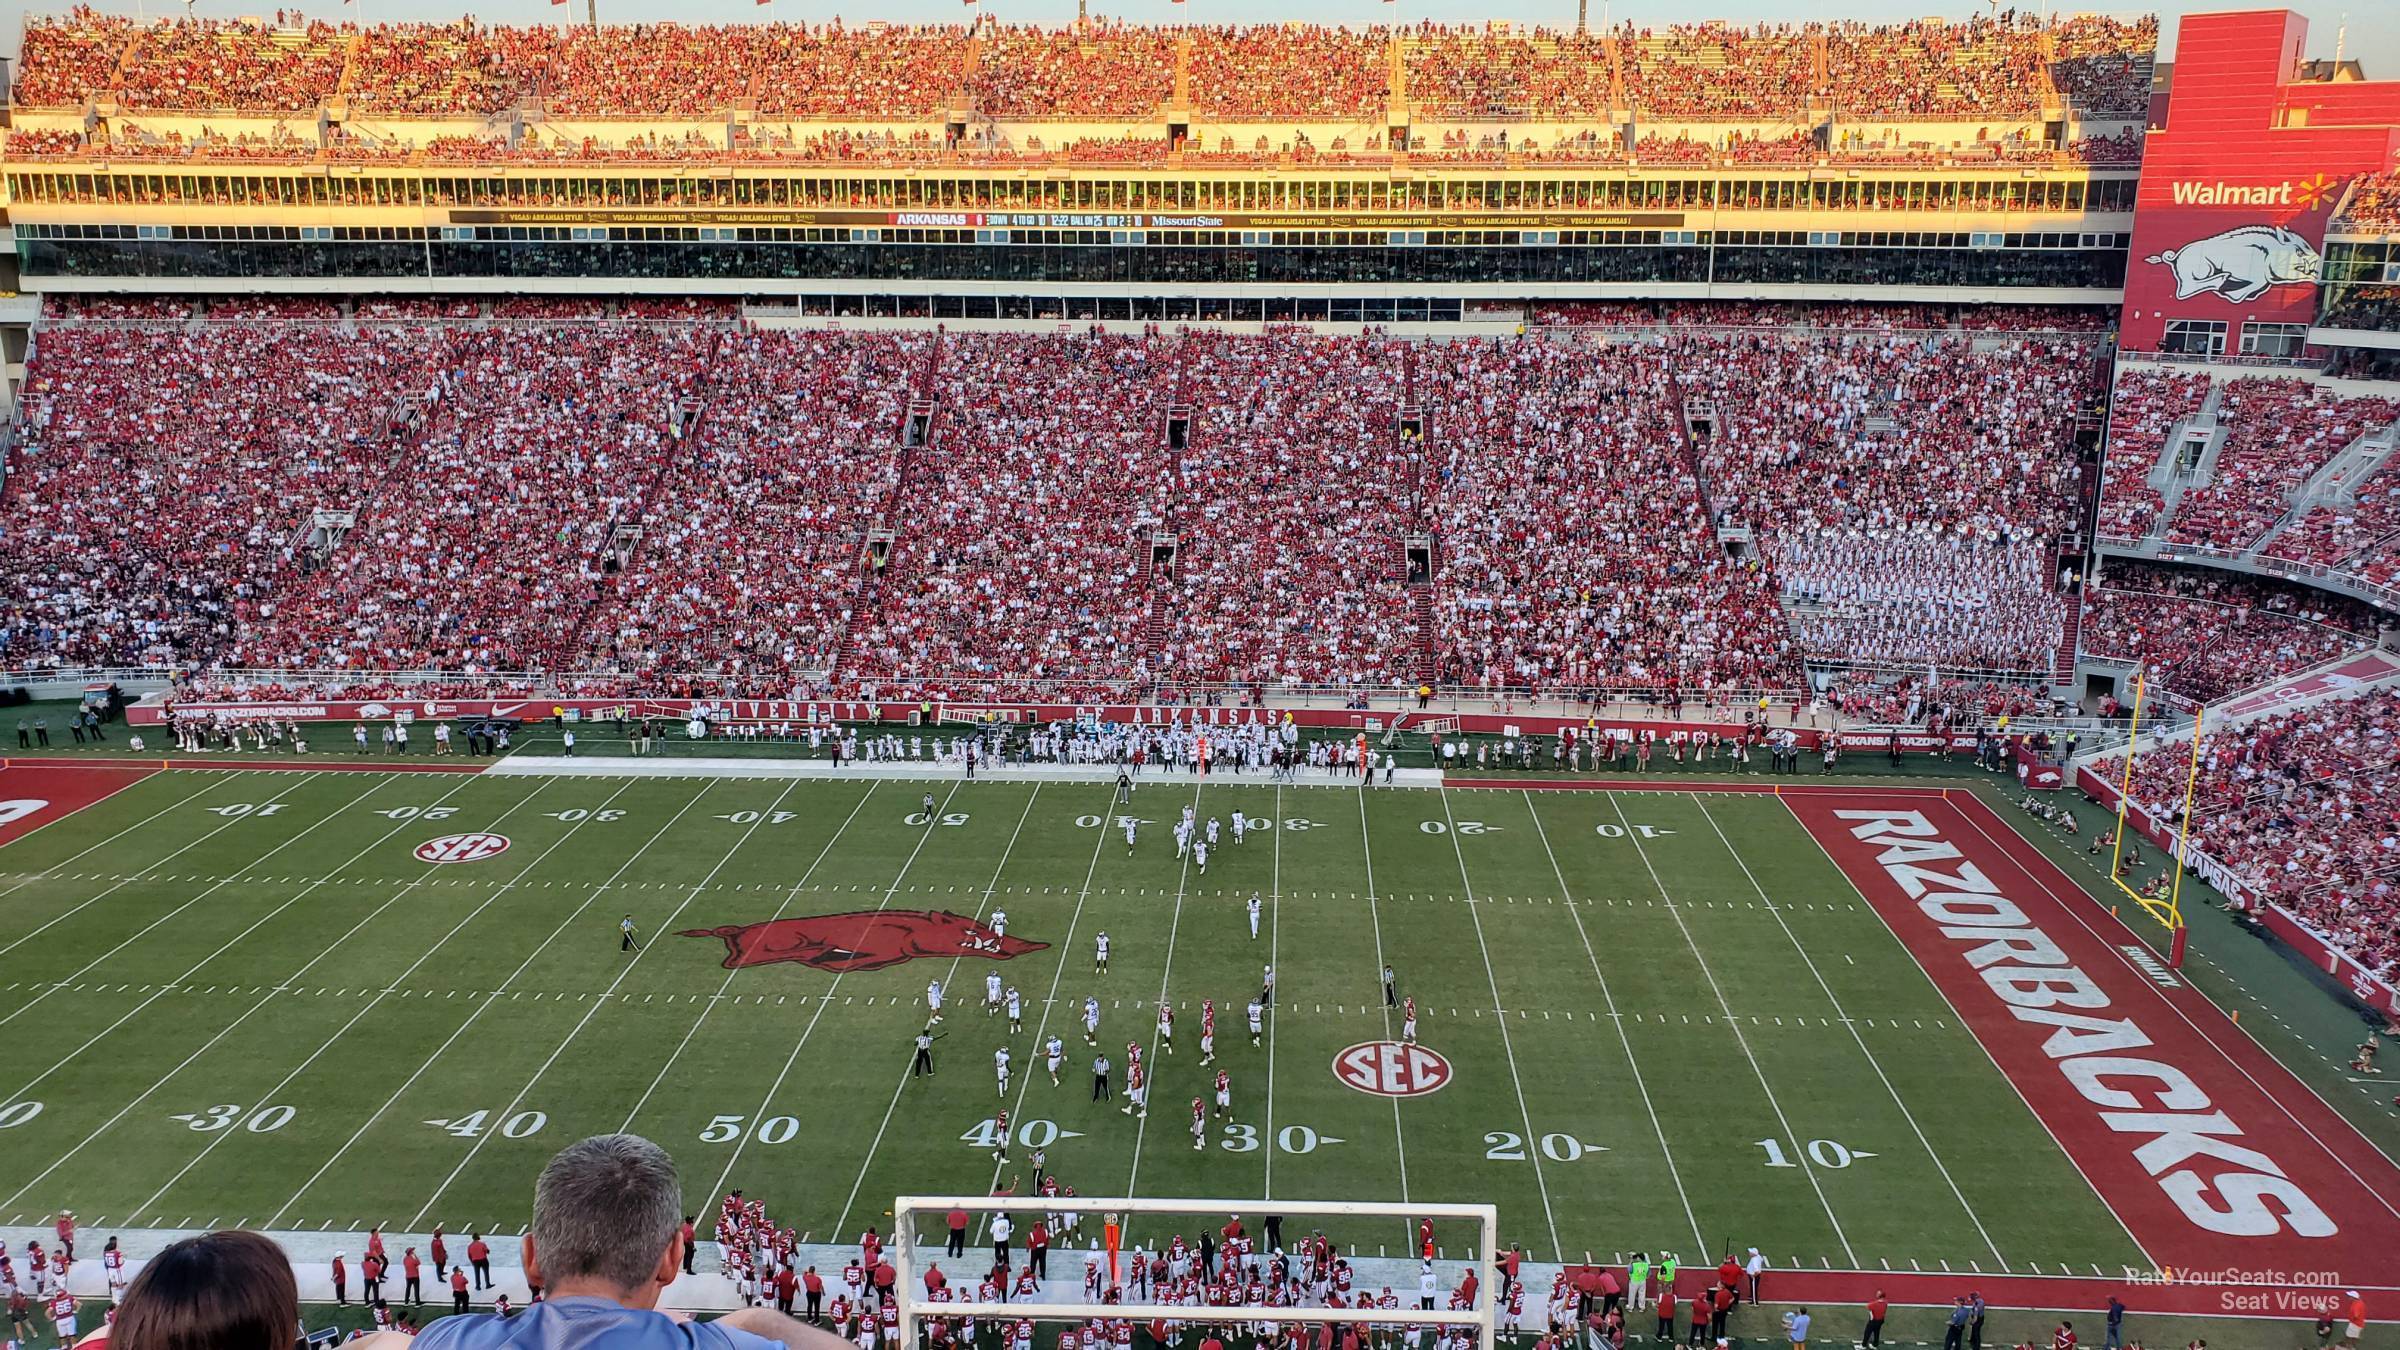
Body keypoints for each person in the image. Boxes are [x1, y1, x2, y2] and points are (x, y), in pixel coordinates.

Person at [415, 1134, 850, 1350]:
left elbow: (377, 1344)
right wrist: (757, 1323)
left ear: (532, 1258)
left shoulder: (450, 1339)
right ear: (672, 1258)